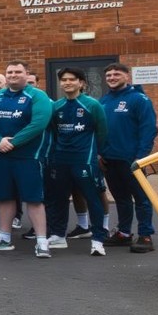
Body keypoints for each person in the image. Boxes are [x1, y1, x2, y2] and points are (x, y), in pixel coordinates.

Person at [0, 61, 53, 256]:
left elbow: (38, 124)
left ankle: (42, 242)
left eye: (18, 71)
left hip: (28, 157)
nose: (13, 75)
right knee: (4, 197)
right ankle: (4, 238)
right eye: (10, 72)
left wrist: (13, 142)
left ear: (26, 74)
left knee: (34, 199)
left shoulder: (38, 96)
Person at [46, 67, 109, 256]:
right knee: (59, 199)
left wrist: (99, 154)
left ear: (81, 83)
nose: (67, 83)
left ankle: (98, 239)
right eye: (64, 80)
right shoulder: (56, 106)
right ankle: (58, 235)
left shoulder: (92, 105)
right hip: (61, 159)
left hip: (84, 159)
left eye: (72, 79)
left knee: (93, 198)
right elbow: (54, 132)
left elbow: (102, 132)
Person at [99, 63, 158, 253]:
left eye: (116, 74)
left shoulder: (139, 99)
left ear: (127, 76)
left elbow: (148, 129)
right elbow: (98, 130)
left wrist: (141, 158)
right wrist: (99, 153)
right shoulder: (104, 100)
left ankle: (145, 235)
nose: (112, 77)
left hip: (131, 161)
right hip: (109, 160)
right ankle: (124, 233)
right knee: (121, 198)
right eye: (108, 75)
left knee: (141, 199)